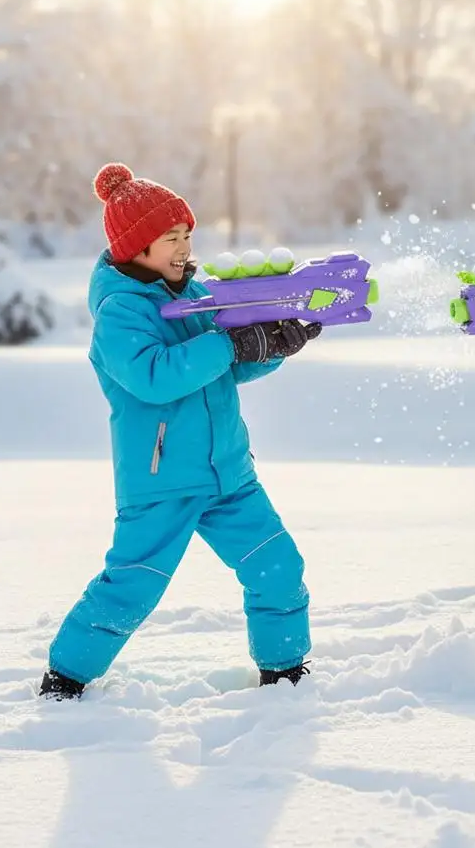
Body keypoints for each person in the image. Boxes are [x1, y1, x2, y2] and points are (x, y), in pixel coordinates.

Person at [39, 162, 319, 700]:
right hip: (162, 480)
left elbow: (226, 365)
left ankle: (284, 674)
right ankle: (65, 678)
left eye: (187, 234)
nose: (184, 247)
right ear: (136, 248)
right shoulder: (121, 313)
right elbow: (154, 377)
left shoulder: (192, 296)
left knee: (278, 564)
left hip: (229, 473)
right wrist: (229, 346)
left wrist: (270, 347)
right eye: (171, 238)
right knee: (133, 586)